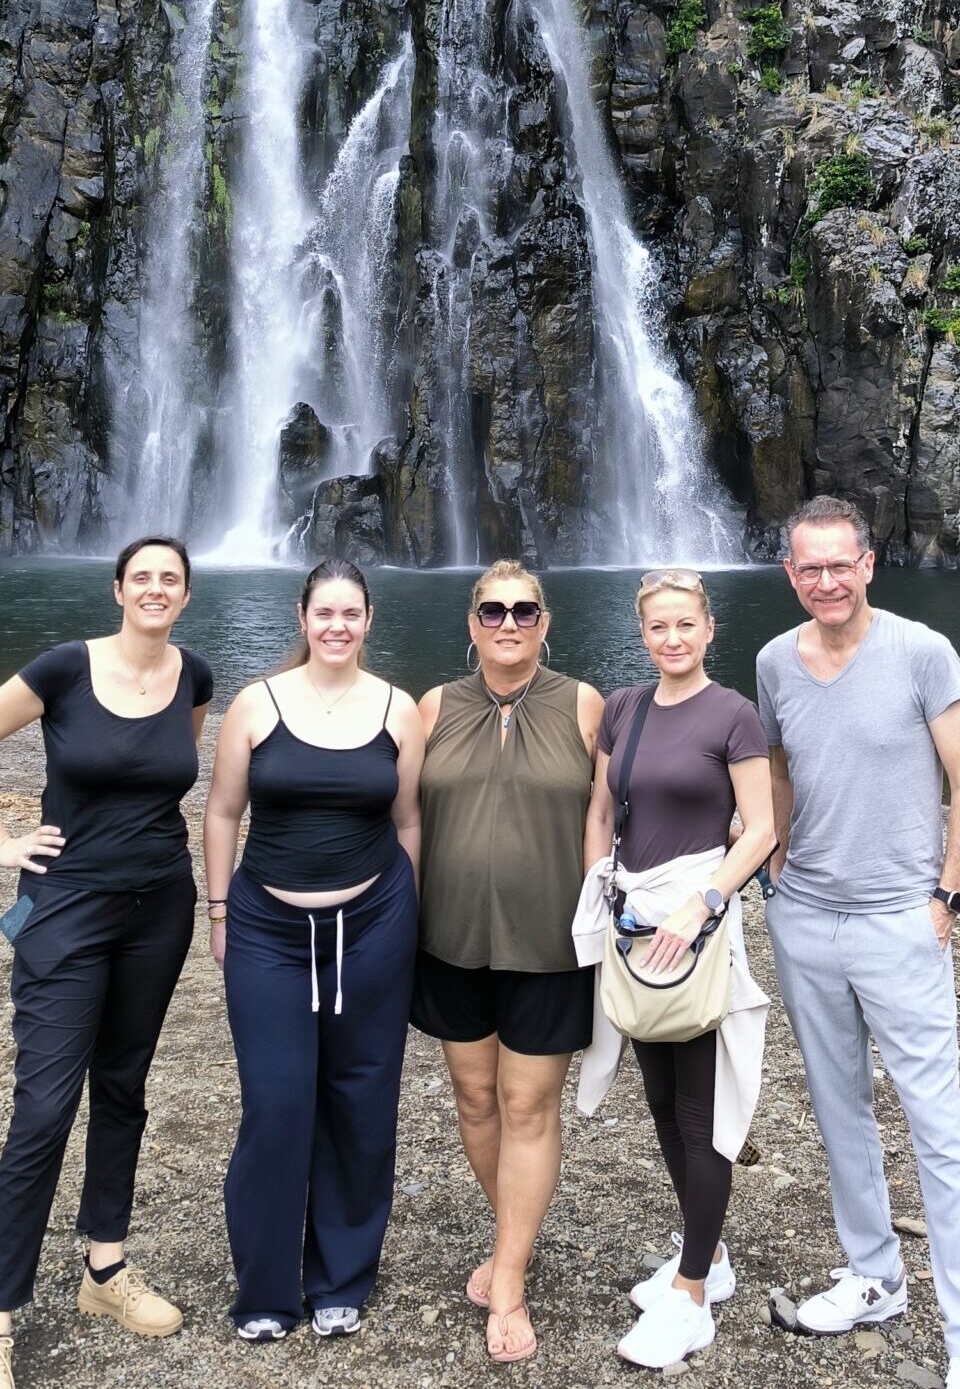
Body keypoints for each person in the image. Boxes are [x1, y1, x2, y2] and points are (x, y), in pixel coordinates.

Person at [757, 495, 960, 1389]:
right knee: (838, 1113)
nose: (825, 580)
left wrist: (946, 899)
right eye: (808, 567)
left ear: (866, 565)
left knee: (938, 1130)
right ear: (789, 574)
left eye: (839, 564)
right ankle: (874, 1278)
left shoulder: (921, 651)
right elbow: (778, 764)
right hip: (805, 918)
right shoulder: (772, 661)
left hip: (901, 919)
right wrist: (775, 862)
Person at [0, 536, 212, 1389]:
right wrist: (4, 844)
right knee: (45, 1106)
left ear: (185, 595)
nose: (156, 589)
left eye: (171, 579)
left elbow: (168, 781)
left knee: (123, 1085)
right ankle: (1, 1307)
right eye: (142, 577)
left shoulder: (195, 677)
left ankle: (105, 1269)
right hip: (64, 910)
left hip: (159, 908)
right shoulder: (63, 669)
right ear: (118, 590)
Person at [203, 558, 423, 1344]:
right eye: (324, 613)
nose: (337, 626)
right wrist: (219, 910)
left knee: (361, 1100)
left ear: (368, 620)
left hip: (374, 925)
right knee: (276, 1103)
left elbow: (407, 822)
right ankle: (266, 1288)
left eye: (350, 613)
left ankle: (341, 1278)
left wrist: (408, 916)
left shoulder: (398, 709)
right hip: (267, 928)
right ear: (302, 618)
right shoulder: (256, 704)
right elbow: (222, 812)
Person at [579, 567, 776, 1372]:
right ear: (642, 633)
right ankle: (709, 1254)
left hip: (694, 925)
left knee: (700, 1109)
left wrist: (703, 903)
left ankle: (691, 1296)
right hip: (633, 922)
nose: (671, 638)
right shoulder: (622, 708)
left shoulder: (732, 715)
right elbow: (601, 811)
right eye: (657, 626)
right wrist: (599, 890)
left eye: (684, 624)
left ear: (708, 628)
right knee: (658, 1099)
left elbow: (760, 828)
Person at [412, 559, 603, 1364]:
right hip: (448, 938)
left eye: (524, 610)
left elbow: (616, 811)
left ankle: (512, 1279)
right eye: (492, 611)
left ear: (544, 623)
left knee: (526, 1106)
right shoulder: (432, 707)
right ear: (472, 624)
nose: (508, 623)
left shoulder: (583, 704)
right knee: (474, 1097)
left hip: (548, 944)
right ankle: (510, 1235)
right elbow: (397, 817)